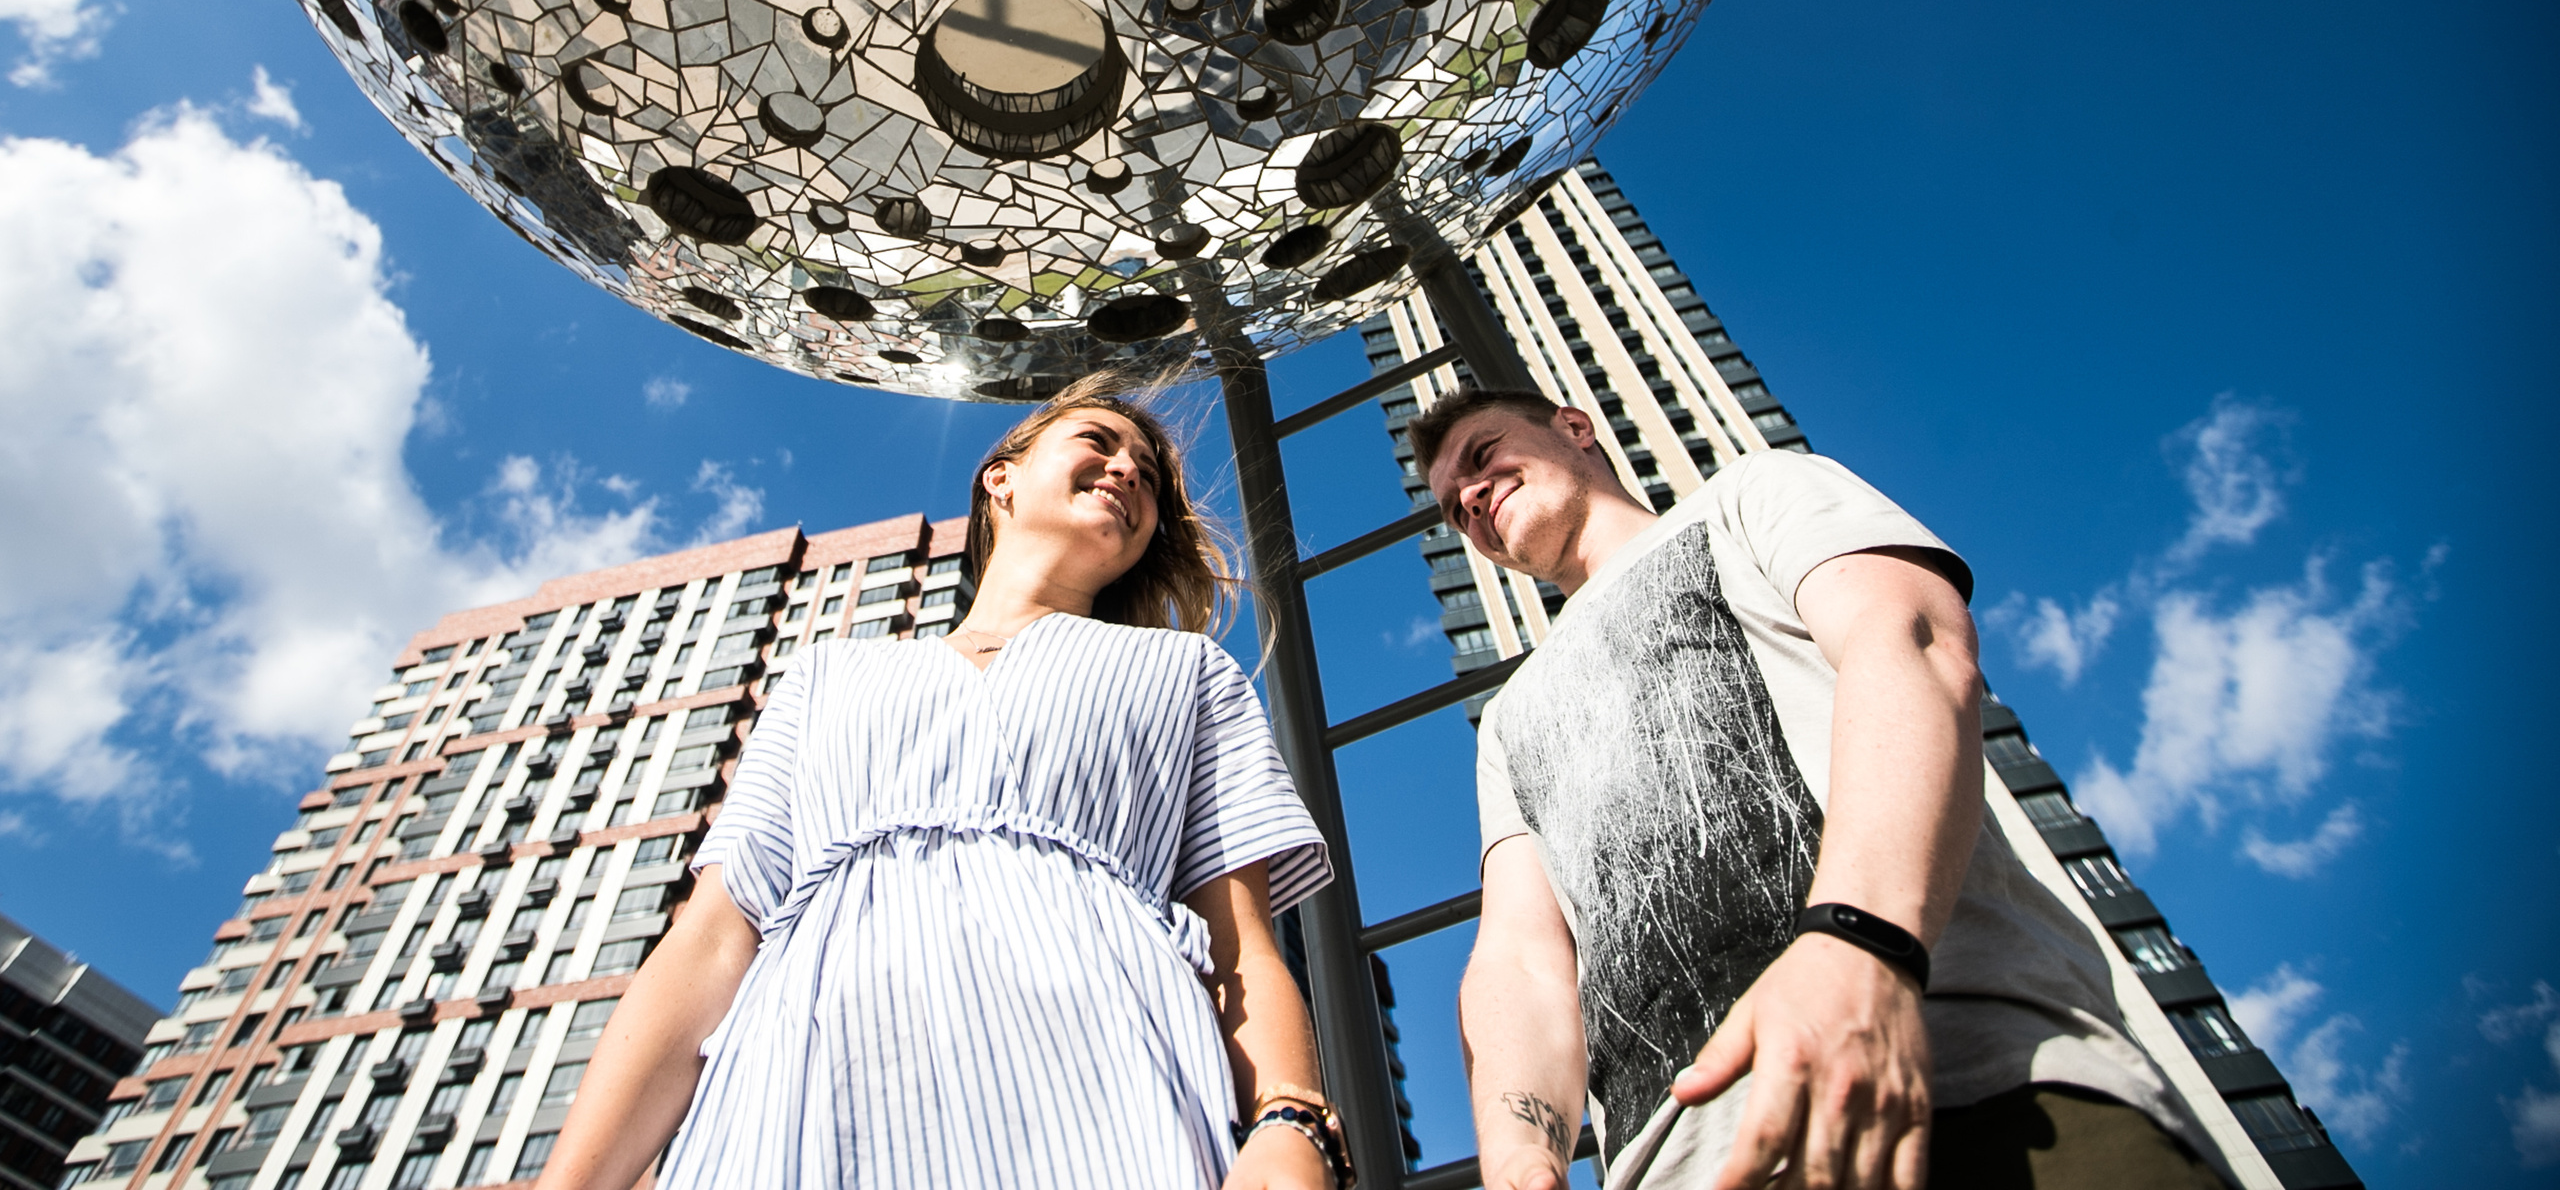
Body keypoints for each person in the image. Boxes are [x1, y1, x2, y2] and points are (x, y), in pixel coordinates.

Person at [533, 376, 1354, 1190]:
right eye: (1100, 442)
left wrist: (1290, 1122)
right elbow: (713, 938)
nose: (1130, 470)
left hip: (1109, 1088)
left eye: (1150, 472)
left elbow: (1239, 943)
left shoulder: (1188, 671)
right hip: (800, 1100)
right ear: (1002, 476)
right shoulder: (828, 674)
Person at [1418, 389, 2233, 1190]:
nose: (1474, 497)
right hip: (1688, 1164)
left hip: (1972, 1080)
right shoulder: (1507, 720)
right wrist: (1520, 1158)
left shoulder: (1750, 494)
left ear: (1573, 427)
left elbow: (1909, 642)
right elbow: (1521, 954)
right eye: (1457, 507)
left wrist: (1860, 941)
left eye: (1484, 458)